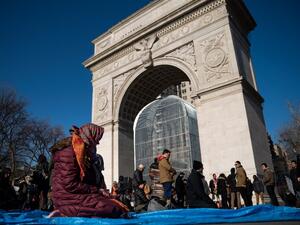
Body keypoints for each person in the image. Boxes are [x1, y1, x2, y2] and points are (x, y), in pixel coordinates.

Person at [50, 123, 128, 218]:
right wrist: (98, 191)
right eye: (97, 139)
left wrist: (101, 191)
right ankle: (63, 212)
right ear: (90, 136)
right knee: (114, 209)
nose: (98, 143)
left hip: (75, 194)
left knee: (116, 205)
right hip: (66, 197)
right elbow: (70, 184)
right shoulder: (69, 152)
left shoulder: (81, 151)